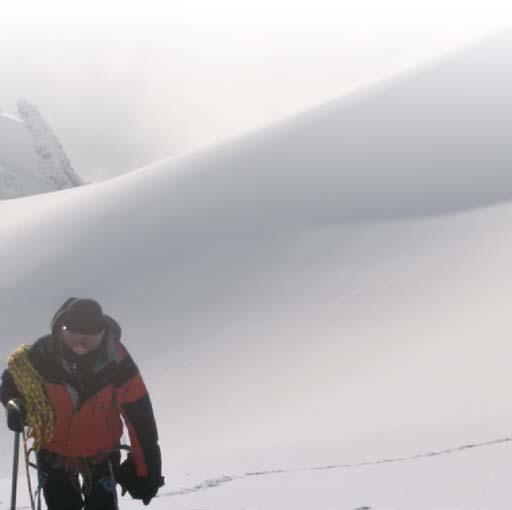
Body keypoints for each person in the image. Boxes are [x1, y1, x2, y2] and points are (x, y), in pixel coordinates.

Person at [0, 297, 164, 509]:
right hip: (53, 453)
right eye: (73, 337)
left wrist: (147, 471)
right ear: (62, 329)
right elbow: (12, 379)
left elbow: (139, 416)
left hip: (100, 455)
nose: (81, 346)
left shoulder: (116, 360)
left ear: (103, 333)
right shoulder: (43, 353)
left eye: (90, 340)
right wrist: (13, 404)